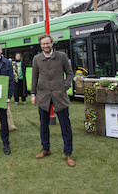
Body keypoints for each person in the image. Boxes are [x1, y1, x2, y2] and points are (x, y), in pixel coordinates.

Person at [31, 34, 75, 167]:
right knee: (43, 125)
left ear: (52, 43)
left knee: (65, 126)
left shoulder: (62, 56)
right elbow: (34, 78)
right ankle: (45, 149)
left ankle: (68, 153)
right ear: (41, 45)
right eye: (43, 44)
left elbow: (70, 73)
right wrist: (33, 94)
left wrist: (65, 86)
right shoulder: (37, 59)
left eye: (47, 43)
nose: (45, 46)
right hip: (43, 96)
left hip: (59, 95)